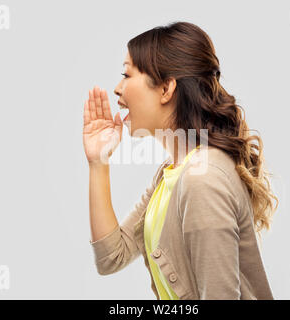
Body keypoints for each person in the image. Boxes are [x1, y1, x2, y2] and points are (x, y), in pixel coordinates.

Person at [83, 21, 278, 300]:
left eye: (127, 74)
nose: (117, 88)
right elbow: (112, 256)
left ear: (166, 89)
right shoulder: (173, 172)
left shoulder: (203, 179)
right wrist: (98, 162)